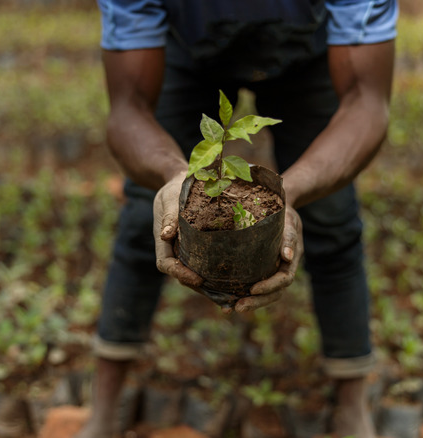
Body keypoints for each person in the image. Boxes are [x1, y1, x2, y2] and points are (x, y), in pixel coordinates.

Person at [77, 1, 397, 437]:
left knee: (332, 219)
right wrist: (174, 176)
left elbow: (368, 103)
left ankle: (352, 403)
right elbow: (127, 108)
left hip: (311, 55)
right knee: (144, 217)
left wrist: (290, 194)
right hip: (185, 53)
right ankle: (104, 408)